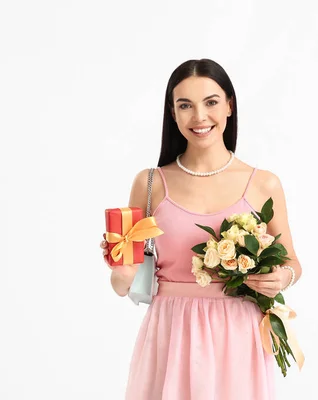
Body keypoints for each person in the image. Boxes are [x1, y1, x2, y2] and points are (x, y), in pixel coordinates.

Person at [104, 58, 302, 400]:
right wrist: (120, 271)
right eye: (185, 105)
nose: (199, 117)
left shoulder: (264, 183)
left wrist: (283, 278)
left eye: (210, 102)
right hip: (171, 333)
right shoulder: (150, 183)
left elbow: (293, 263)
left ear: (229, 105)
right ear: (173, 113)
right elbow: (125, 281)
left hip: (239, 335)